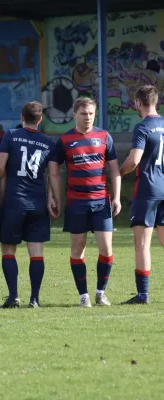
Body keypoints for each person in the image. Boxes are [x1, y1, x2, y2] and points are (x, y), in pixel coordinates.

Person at [50, 97, 122, 307]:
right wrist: (55, 197)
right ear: (75, 115)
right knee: (77, 249)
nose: (88, 117)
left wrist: (116, 197)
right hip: (76, 203)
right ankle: (84, 296)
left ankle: (100, 292)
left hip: (101, 202)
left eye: (91, 113)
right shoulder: (65, 140)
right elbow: (53, 169)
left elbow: (114, 169)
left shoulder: (104, 136)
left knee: (106, 249)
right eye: (83, 114)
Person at [0, 101, 59, 308]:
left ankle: (13, 296)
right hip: (38, 203)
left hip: (13, 201)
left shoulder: (11, 136)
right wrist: (55, 198)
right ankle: (35, 298)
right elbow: (53, 175)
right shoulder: (48, 142)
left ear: (22, 118)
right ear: (40, 120)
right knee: (36, 252)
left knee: (8, 251)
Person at [119, 85, 164, 305]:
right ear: (156, 101)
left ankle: (142, 294)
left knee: (143, 244)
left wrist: (118, 172)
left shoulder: (142, 127)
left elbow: (134, 160)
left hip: (148, 189)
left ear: (138, 103)